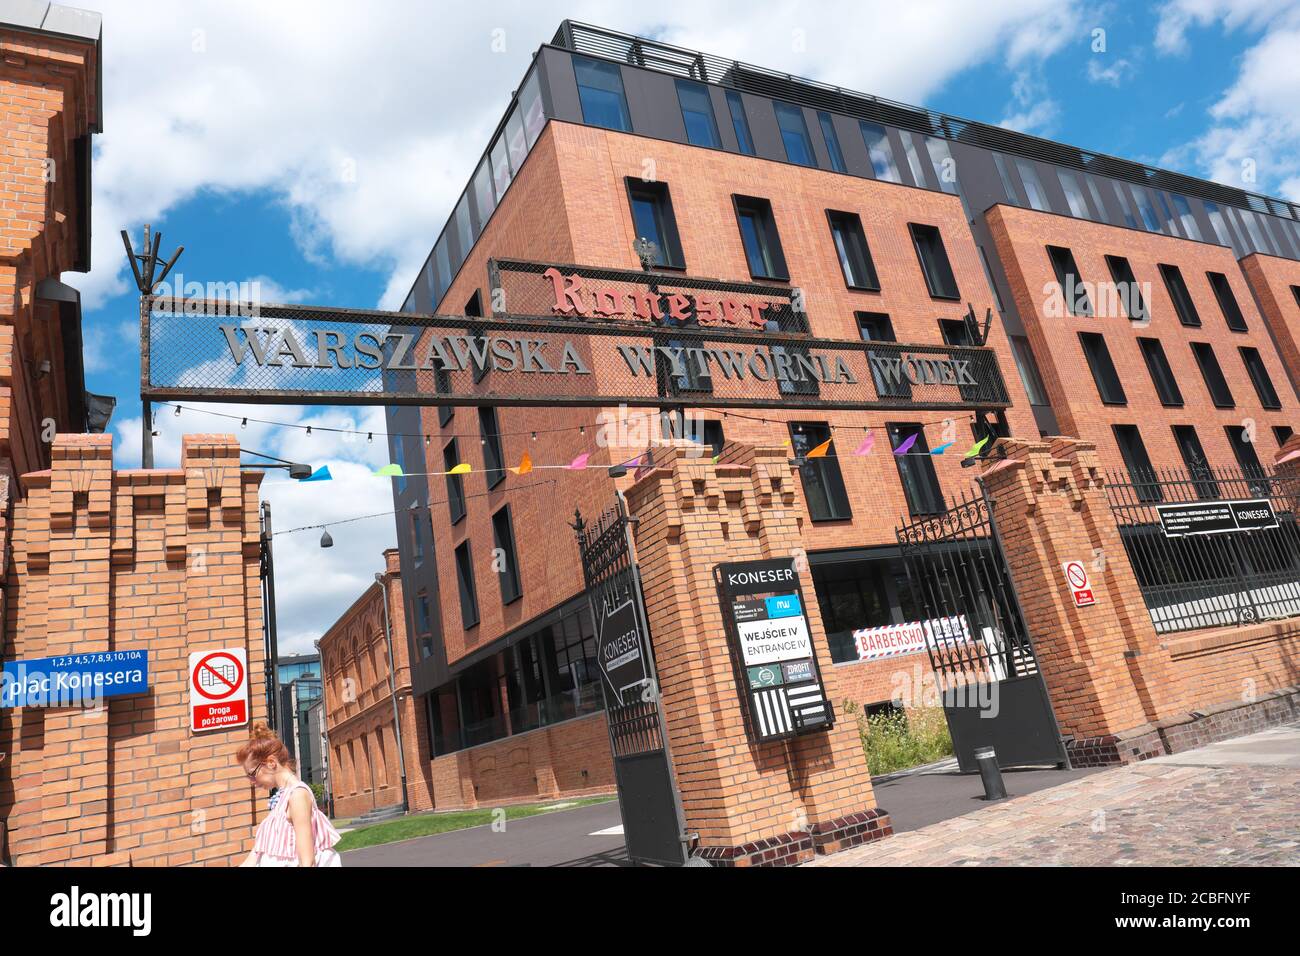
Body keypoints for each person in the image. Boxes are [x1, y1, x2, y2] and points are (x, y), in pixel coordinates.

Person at [235, 720, 342, 867]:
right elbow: (256, 855)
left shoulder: (297, 795)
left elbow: (307, 861)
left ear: (271, 763)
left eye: (252, 774)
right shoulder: (281, 799)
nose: (252, 781)